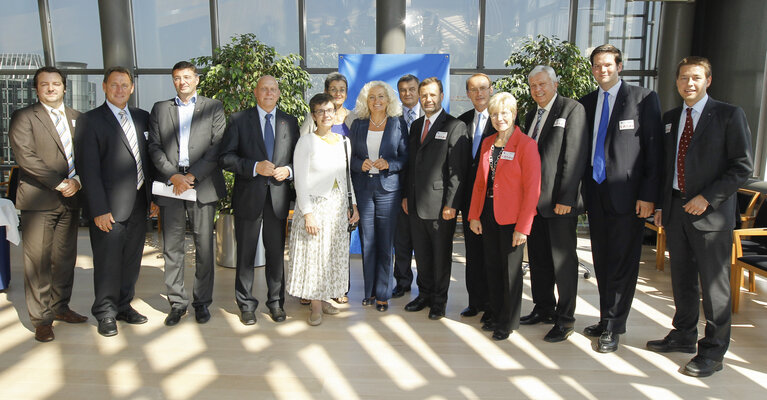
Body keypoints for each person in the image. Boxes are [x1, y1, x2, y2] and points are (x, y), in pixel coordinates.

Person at [646, 56, 753, 377]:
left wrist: (707, 198)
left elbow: (742, 167)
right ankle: (683, 333)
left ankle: (713, 351)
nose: (688, 83)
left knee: (715, 286)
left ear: (708, 80)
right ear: (676, 82)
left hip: (711, 214)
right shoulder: (671, 118)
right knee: (681, 279)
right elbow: (667, 167)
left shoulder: (728, 115)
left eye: (695, 77)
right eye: (682, 78)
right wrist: (664, 206)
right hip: (676, 211)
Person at [579, 44, 663, 353]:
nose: (602, 70)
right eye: (597, 65)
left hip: (630, 198)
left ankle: (615, 325)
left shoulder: (643, 99)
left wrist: (649, 196)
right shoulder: (586, 103)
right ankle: (606, 318)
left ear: (619, 66)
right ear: (592, 69)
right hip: (596, 193)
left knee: (624, 261)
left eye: (608, 65)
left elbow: (654, 151)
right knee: (602, 260)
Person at [75, 66, 158, 337]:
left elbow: (149, 160)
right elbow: (88, 169)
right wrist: (98, 209)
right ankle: (105, 312)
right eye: (114, 85)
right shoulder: (90, 120)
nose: (120, 90)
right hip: (108, 208)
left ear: (132, 88)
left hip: (138, 202)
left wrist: (153, 197)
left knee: (131, 260)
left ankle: (123, 306)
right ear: (104, 87)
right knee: (108, 261)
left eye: (125, 85)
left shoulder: (143, 118)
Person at [9, 66, 88, 342]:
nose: (51, 88)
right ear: (37, 89)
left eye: (56, 84)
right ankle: (41, 319)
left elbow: (85, 156)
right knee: (37, 262)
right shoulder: (24, 117)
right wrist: (60, 183)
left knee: (64, 259)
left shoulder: (78, 118)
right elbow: (26, 157)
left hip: (71, 199)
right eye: (45, 85)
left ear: (64, 87)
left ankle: (60, 307)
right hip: (39, 199)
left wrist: (76, 180)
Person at [148, 61, 226, 326]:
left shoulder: (213, 107)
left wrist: (191, 176)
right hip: (171, 185)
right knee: (173, 248)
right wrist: (175, 176)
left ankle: (202, 303)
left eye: (187, 77)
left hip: (201, 185)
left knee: (204, 247)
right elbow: (154, 147)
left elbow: (217, 147)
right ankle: (177, 304)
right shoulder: (160, 109)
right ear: (173, 81)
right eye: (177, 78)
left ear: (197, 80)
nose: (182, 82)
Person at [219, 75, 299, 326]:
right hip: (248, 197)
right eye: (264, 89)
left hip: (277, 198)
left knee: (276, 255)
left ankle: (275, 303)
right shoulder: (239, 120)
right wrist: (254, 167)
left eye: (273, 89)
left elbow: (300, 158)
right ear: (255, 92)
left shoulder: (289, 122)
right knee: (246, 253)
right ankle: (245, 304)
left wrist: (289, 171)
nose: (268, 93)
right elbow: (226, 158)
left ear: (278, 93)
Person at [521, 65, 589, 343]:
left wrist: (566, 198)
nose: (538, 90)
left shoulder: (571, 109)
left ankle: (565, 318)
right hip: (534, 203)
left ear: (555, 83)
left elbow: (575, 156)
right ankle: (544, 307)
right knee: (538, 259)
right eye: (533, 86)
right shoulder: (530, 115)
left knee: (563, 262)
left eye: (542, 84)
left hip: (559, 203)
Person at [468, 92, 541, 341]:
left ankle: (508, 321)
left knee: (510, 272)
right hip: (488, 215)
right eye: (495, 114)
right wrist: (474, 216)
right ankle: (496, 313)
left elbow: (533, 190)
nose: (500, 118)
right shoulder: (488, 143)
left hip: (512, 218)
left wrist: (524, 227)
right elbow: (479, 183)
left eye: (505, 113)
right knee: (492, 268)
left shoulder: (526, 145)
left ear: (514, 114)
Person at [286, 93, 359, 325]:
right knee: (314, 257)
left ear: (335, 113)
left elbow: (347, 177)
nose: (326, 115)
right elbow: (300, 180)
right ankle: (315, 305)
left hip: (338, 209)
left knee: (331, 256)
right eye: (320, 111)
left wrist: (353, 205)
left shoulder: (344, 142)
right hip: (315, 207)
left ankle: (325, 297)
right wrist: (307, 213)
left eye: (329, 110)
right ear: (313, 116)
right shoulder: (306, 141)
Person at [402, 77, 470, 320]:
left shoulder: (455, 126)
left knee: (441, 255)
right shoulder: (415, 125)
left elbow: (457, 171)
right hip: (416, 203)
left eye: (432, 95)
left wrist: (452, 204)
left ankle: (439, 301)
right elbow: (412, 166)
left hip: (441, 206)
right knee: (421, 254)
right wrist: (406, 196)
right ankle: (425, 295)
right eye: (424, 96)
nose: (428, 100)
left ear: (441, 96)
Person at [348, 81, 408, 311]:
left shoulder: (397, 124)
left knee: (385, 243)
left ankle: (383, 293)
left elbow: (405, 157)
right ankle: (369, 292)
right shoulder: (358, 125)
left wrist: (389, 164)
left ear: (388, 99)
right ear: (366, 100)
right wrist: (359, 164)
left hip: (388, 192)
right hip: (364, 189)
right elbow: (350, 158)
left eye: (381, 96)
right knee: (368, 242)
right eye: (372, 97)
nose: (377, 101)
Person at [456, 73, 494, 321]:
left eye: (483, 88)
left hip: (494, 199)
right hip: (470, 199)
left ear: (491, 90)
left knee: (492, 252)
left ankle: (492, 306)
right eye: (473, 89)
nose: (479, 93)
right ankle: (475, 301)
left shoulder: (504, 119)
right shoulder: (462, 121)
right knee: (473, 251)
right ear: (467, 94)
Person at [392, 74, 422, 299]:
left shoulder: (431, 117)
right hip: (397, 190)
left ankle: (426, 286)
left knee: (422, 245)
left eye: (412, 89)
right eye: (403, 90)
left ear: (419, 91)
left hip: (424, 193)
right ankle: (402, 282)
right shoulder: (393, 118)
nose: (407, 93)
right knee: (401, 242)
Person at [299, 72, 356, 136]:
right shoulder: (314, 116)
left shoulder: (354, 117)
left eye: (342, 90)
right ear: (325, 92)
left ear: (346, 94)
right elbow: (301, 141)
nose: (338, 94)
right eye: (333, 90)